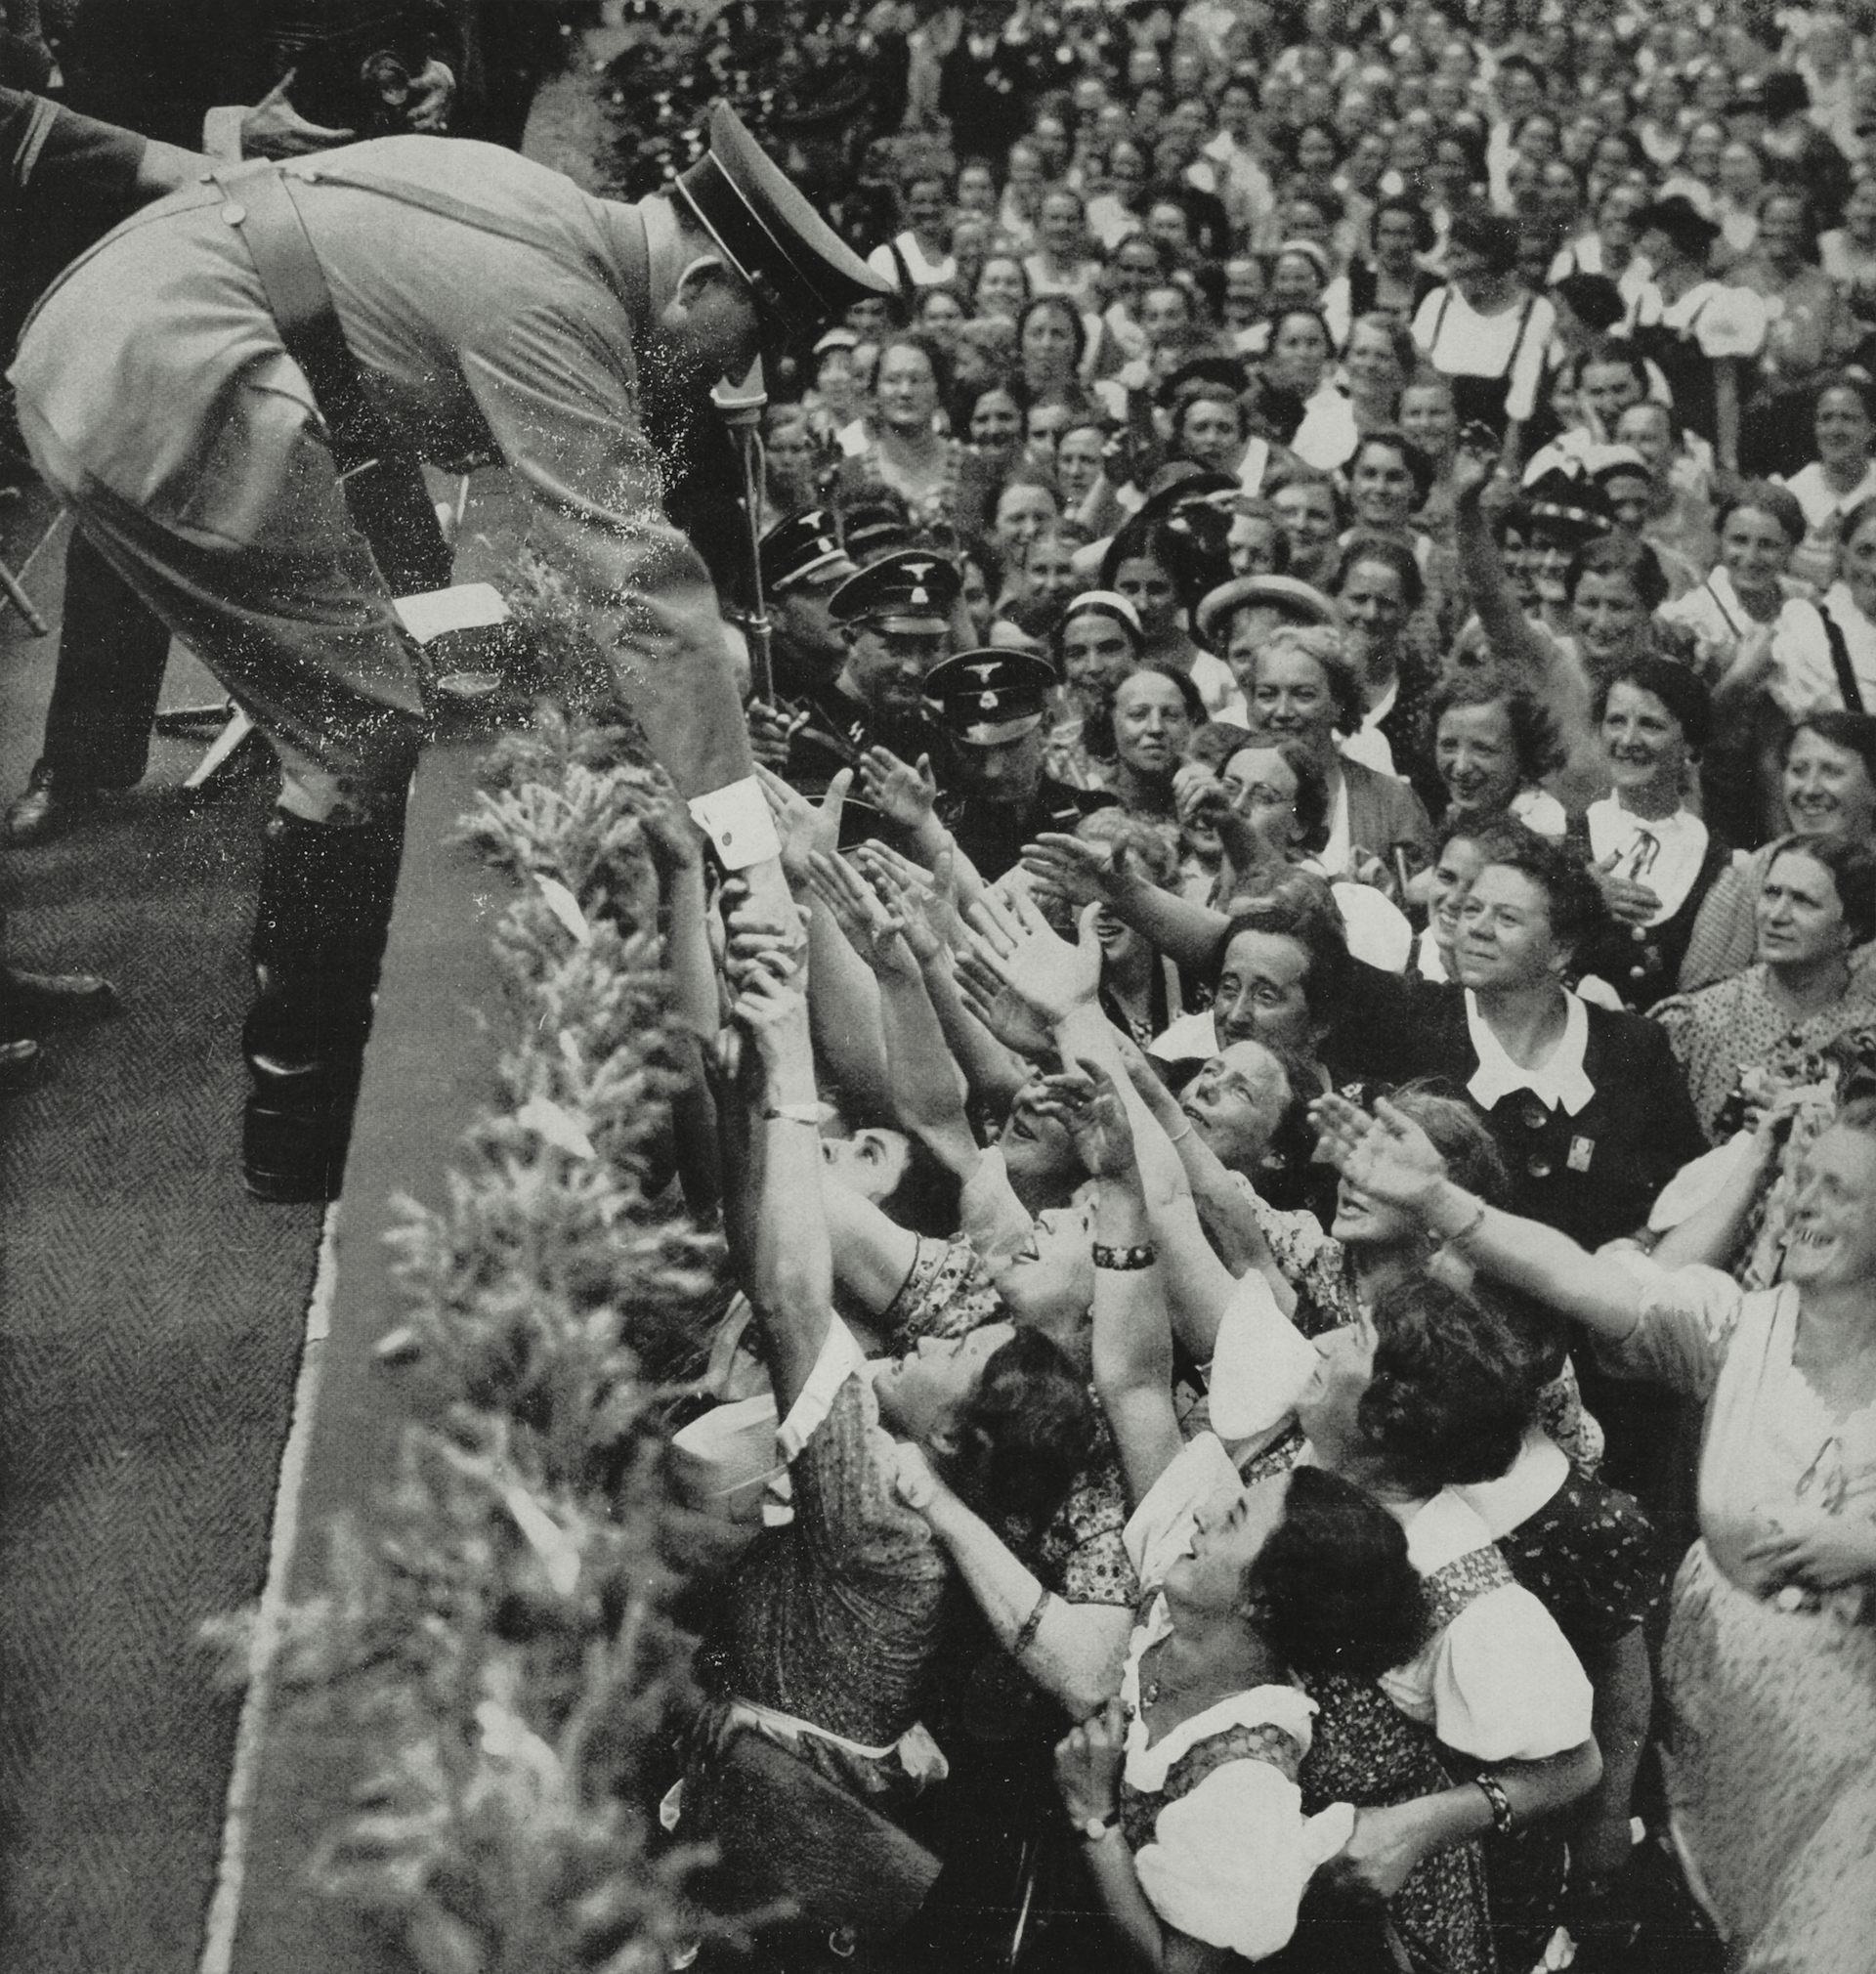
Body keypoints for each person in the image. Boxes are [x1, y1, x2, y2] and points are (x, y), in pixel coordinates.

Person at [1310, 1086, 1876, 1971]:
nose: (1802, 1204)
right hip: (1729, 1741)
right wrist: (1442, 1201)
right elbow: (1579, 1277)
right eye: (1804, 1180)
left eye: (1839, 1190)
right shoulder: (1736, 1328)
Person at [1653, 836, 1876, 1140]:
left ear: (1852, 927)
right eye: (1771, 894)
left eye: (1803, 901)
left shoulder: (1868, 1034)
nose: (1776, 915)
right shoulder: (1692, 1023)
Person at [1573, 657, 1732, 1010]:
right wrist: (1576, 894)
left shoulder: (1719, 861)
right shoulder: (1562, 839)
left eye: (1650, 725)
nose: (1628, 739)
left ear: (1689, 744)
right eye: (1616, 721)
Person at [1683, 711, 1876, 988]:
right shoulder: (1746, 880)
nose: (1809, 789)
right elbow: (1699, 999)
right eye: (1798, 770)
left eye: (1832, 772)